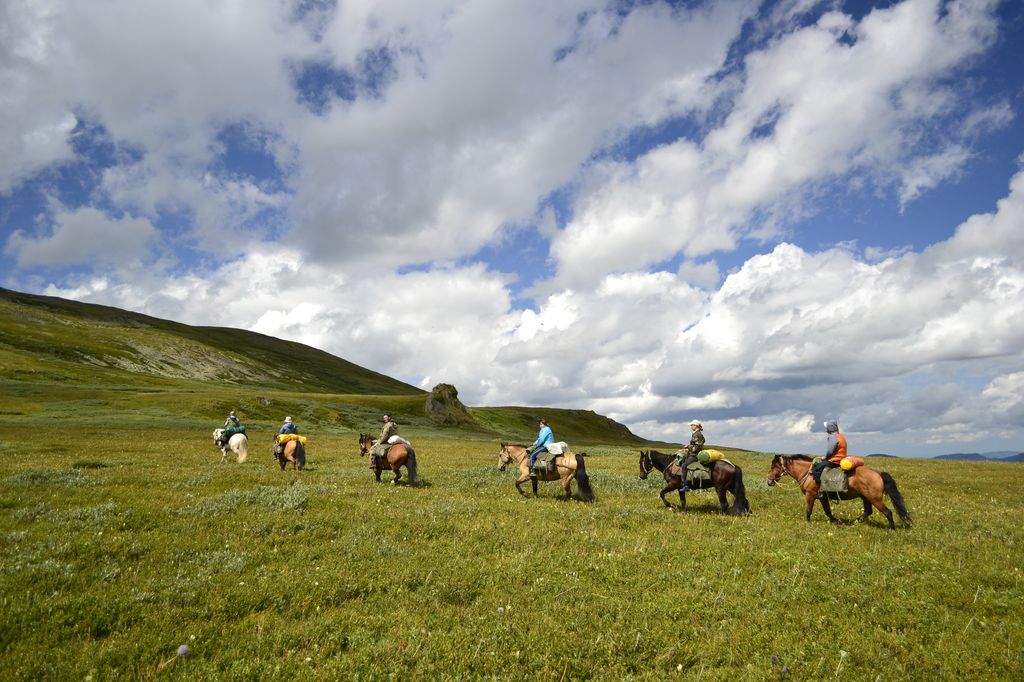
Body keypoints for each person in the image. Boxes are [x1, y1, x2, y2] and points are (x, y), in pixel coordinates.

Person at [811, 419, 846, 487]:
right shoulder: (841, 436)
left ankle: (821, 489)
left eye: (827, 427)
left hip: (834, 461)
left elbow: (830, 451)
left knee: (816, 469)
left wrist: (825, 457)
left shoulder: (833, 437)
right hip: (841, 459)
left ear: (830, 428)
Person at [676, 420, 706, 492]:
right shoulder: (696, 434)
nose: (691, 426)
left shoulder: (697, 434)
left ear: (696, 426)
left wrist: (688, 447)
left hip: (694, 455)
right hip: (693, 453)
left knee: (684, 466)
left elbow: (696, 447)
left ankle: (686, 486)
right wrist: (688, 448)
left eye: (692, 425)